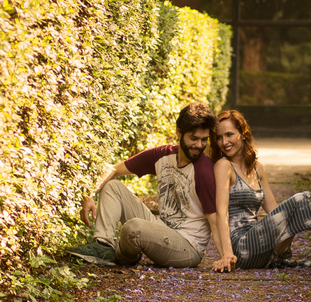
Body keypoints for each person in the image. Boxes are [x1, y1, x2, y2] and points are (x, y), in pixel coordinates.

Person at [68, 102, 225, 268]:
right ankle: (103, 246)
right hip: (162, 229)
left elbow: (215, 220)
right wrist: (89, 195)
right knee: (112, 186)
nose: (199, 145)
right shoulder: (162, 155)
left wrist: (225, 256)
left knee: (133, 227)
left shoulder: (204, 170)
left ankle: (124, 255)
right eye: (193, 138)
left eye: (204, 140)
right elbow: (113, 169)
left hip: (188, 248)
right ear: (179, 132)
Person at [209, 109, 311, 272]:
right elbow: (221, 212)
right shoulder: (223, 166)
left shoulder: (257, 168)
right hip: (241, 248)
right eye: (219, 137)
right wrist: (227, 254)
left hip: (262, 244)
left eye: (229, 135)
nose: (224, 142)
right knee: (303, 198)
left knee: (309, 200)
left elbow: (275, 211)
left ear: (243, 134)